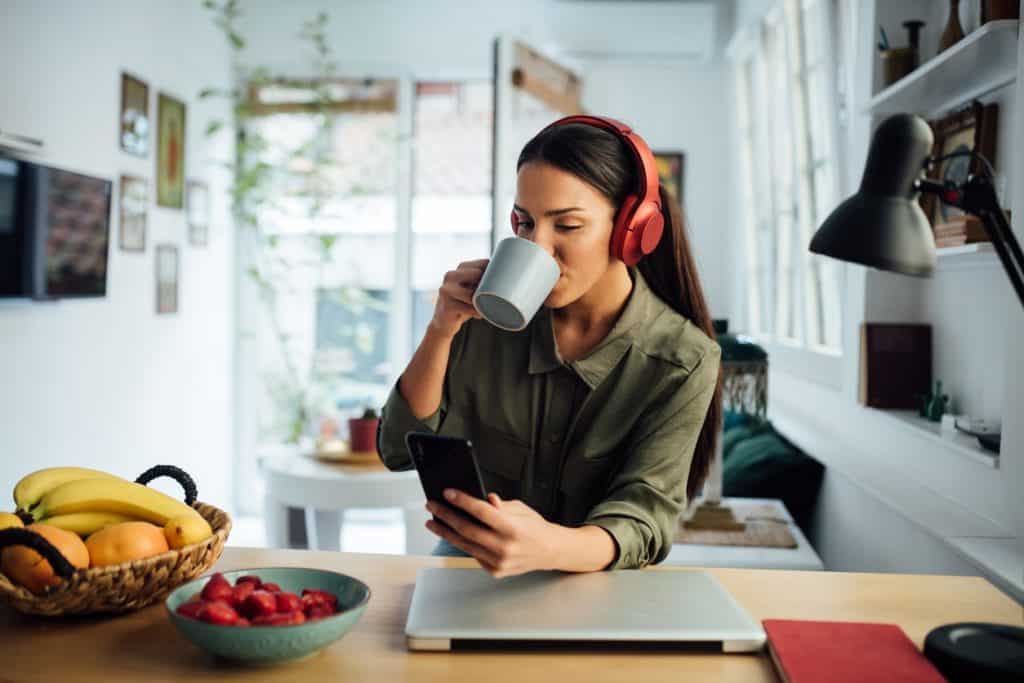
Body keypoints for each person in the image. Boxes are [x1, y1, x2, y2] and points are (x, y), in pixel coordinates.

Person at [378, 115, 722, 577]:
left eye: (568, 226)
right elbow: (397, 450)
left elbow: (645, 517)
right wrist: (441, 329)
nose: (538, 247)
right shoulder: (485, 315)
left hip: (597, 583)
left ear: (631, 230)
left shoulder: (683, 359)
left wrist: (550, 547)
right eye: (525, 223)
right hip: (472, 570)